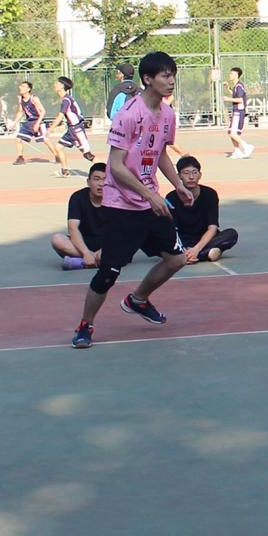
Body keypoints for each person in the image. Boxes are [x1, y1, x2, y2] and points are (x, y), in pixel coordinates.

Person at [71, 52, 193, 349]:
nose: (171, 81)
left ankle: (138, 299)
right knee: (109, 272)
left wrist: (178, 185)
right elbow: (116, 165)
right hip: (122, 204)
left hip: (150, 202)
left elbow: (160, 153)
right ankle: (85, 325)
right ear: (148, 79)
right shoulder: (129, 114)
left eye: (173, 75)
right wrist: (150, 194)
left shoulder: (168, 115)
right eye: (165, 75)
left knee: (177, 259)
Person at [168, 155, 239, 264]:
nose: (191, 177)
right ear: (179, 176)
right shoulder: (171, 197)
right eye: (186, 173)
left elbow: (212, 227)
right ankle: (206, 253)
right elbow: (173, 230)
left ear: (200, 175)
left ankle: (194, 255)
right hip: (183, 240)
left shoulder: (210, 194)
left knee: (231, 234)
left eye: (195, 172)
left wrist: (196, 249)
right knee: (159, 239)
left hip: (205, 239)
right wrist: (182, 248)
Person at [52, 162, 111, 270]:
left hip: (108, 245)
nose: (101, 184)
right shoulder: (78, 197)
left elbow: (119, 230)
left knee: (121, 245)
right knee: (57, 239)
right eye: (96, 179)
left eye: (105, 179)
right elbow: (73, 228)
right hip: (83, 244)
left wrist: (104, 250)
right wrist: (86, 253)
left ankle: (80, 262)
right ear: (88, 182)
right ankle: (93, 260)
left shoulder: (115, 199)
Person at [48, 76, 95, 177]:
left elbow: (61, 115)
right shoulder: (65, 99)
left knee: (88, 155)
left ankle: (107, 171)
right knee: (58, 148)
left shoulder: (66, 100)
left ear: (62, 86)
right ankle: (65, 170)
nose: (55, 85)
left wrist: (50, 129)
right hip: (71, 129)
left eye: (57, 83)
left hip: (76, 129)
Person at [11, 81, 48, 166]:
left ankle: (57, 155)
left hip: (38, 121)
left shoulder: (34, 98)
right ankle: (20, 158)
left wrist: (38, 123)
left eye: (23, 86)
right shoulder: (21, 99)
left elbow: (43, 111)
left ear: (28, 89)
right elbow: (20, 112)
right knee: (18, 139)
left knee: (46, 140)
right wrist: (14, 122)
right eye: (20, 86)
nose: (21, 88)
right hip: (29, 122)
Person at [224, 67, 254, 159]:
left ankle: (247, 146)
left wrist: (228, 99)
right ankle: (237, 151)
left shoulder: (239, 86)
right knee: (232, 132)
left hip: (238, 112)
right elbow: (234, 94)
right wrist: (228, 88)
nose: (230, 75)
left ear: (237, 75)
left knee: (232, 133)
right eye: (230, 73)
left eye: (232, 74)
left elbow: (240, 99)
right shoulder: (236, 87)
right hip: (236, 112)